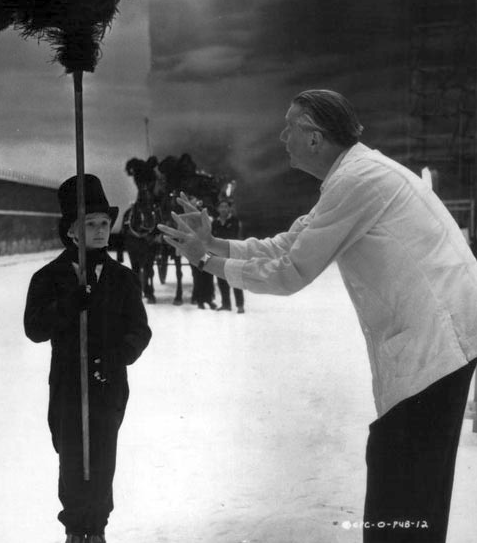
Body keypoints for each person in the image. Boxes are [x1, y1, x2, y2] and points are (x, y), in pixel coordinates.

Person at [159, 89, 477, 543]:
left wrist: (205, 261)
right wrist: (213, 243)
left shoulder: (357, 181)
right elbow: (288, 244)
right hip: (443, 344)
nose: (282, 137)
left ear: (315, 137)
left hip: (436, 348)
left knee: (402, 489)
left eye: (290, 126)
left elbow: (290, 271)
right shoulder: (354, 176)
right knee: (412, 488)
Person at [24, 174, 152, 543]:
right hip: (67, 383)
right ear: (72, 232)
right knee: (70, 455)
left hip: (108, 383)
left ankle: (96, 528)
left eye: (104, 224)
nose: (100, 231)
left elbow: (139, 330)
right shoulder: (47, 277)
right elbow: (34, 329)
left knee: (102, 455)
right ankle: (73, 528)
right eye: (90, 224)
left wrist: (119, 355)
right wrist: (69, 303)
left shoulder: (122, 278)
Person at [211, 199, 245, 313]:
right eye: (221, 207)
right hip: (219, 255)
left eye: (226, 206)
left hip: (232, 253)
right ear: (218, 209)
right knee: (221, 279)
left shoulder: (234, 221)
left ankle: (240, 305)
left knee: (235, 279)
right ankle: (226, 304)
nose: (224, 209)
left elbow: (235, 236)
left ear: (229, 208)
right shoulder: (214, 223)